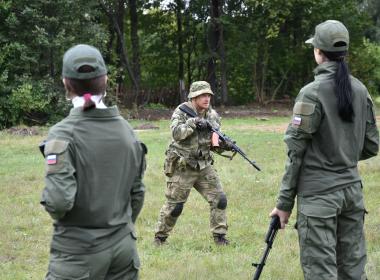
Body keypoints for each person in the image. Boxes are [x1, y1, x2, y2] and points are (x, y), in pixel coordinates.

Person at [270, 20, 379, 280]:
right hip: (352, 195)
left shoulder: (312, 92)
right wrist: (343, 153)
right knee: (353, 271)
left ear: (319, 52)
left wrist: (283, 204)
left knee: (321, 274)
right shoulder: (360, 89)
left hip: (319, 199)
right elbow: (372, 145)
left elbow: (295, 154)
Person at [40, 44, 146, 279]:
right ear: (106, 80)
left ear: (65, 83)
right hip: (124, 250)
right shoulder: (128, 132)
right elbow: (137, 194)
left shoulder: (62, 134)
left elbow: (58, 202)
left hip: (78, 254)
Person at [153, 81, 233, 246]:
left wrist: (226, 144)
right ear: (194, 97)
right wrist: (193, 123)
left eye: (208, 95)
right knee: (175, 206)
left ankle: (220, 237)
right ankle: (160, 238)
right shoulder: (182, 111)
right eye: (202, 95)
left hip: (204, 166)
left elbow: (214, 143)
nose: (206, 98)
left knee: (220, 199)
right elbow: (176, 134)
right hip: (183, 166)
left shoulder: (212, 115)